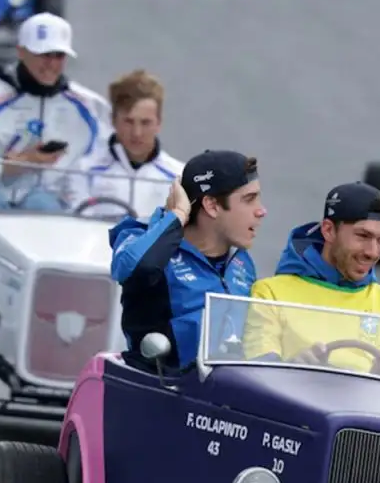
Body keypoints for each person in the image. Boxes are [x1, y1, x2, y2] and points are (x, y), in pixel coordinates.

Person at [0, 12, 112, 220]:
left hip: (51, 203)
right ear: (21, 52)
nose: (51, 64)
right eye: (43, 55)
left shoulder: (91, 108)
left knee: (42, 206)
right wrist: (6, 167)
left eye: (58, 55)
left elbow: (105, 163)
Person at [244, 182, 380, 381]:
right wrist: (291, 371)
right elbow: (256, 374)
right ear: (328, 230)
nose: (373, 252)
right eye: (363, 235)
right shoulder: (269, 294)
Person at [109, 150, 264, 369]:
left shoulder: (241, 261)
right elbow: (134, 269)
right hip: (159, 392)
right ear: (211, 205)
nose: (261, 210)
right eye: (249, 199)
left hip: (227, 392)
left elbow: (251, 338)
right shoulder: (141, 238)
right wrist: (179, 214)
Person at [69, 69, 185, 219]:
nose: (137, 133)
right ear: (113, 120)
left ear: (159, 123)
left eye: (145, 123)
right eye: (129, 122)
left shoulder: (180, 178)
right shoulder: (83, 171)